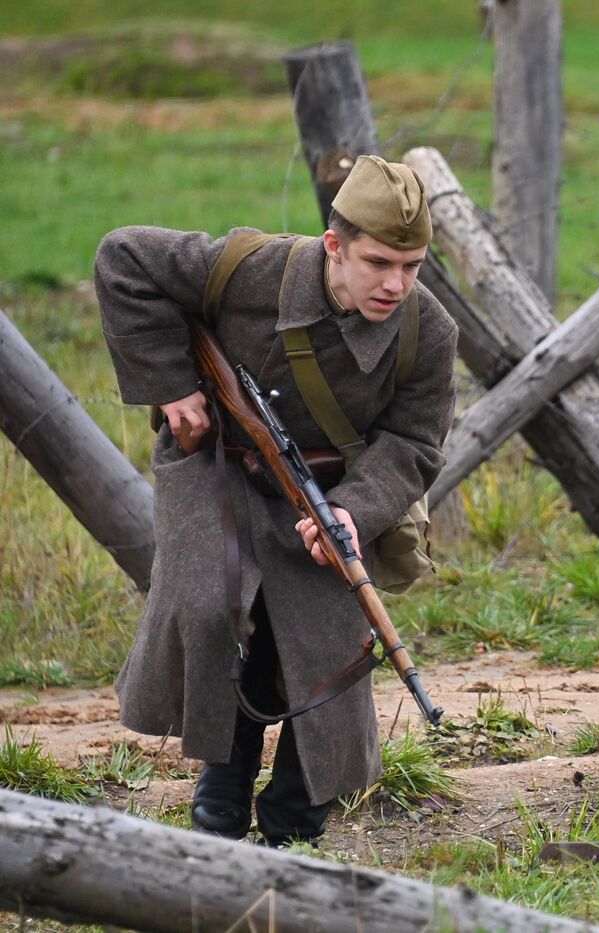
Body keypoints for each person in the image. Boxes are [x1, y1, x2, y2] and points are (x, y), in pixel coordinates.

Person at [95, 155, 457, 846]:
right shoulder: (250, 268)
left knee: (328, 645)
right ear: (334, 246)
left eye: (412, 266)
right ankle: (221, 791)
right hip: (219, 465)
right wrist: (172, 383)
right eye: (378, 262)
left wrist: (356, 507)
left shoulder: (427, 330)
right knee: (212, 608)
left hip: (327, 492)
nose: (396, 283)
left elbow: (413, 442)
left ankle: (294, 816)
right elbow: (123, 258)